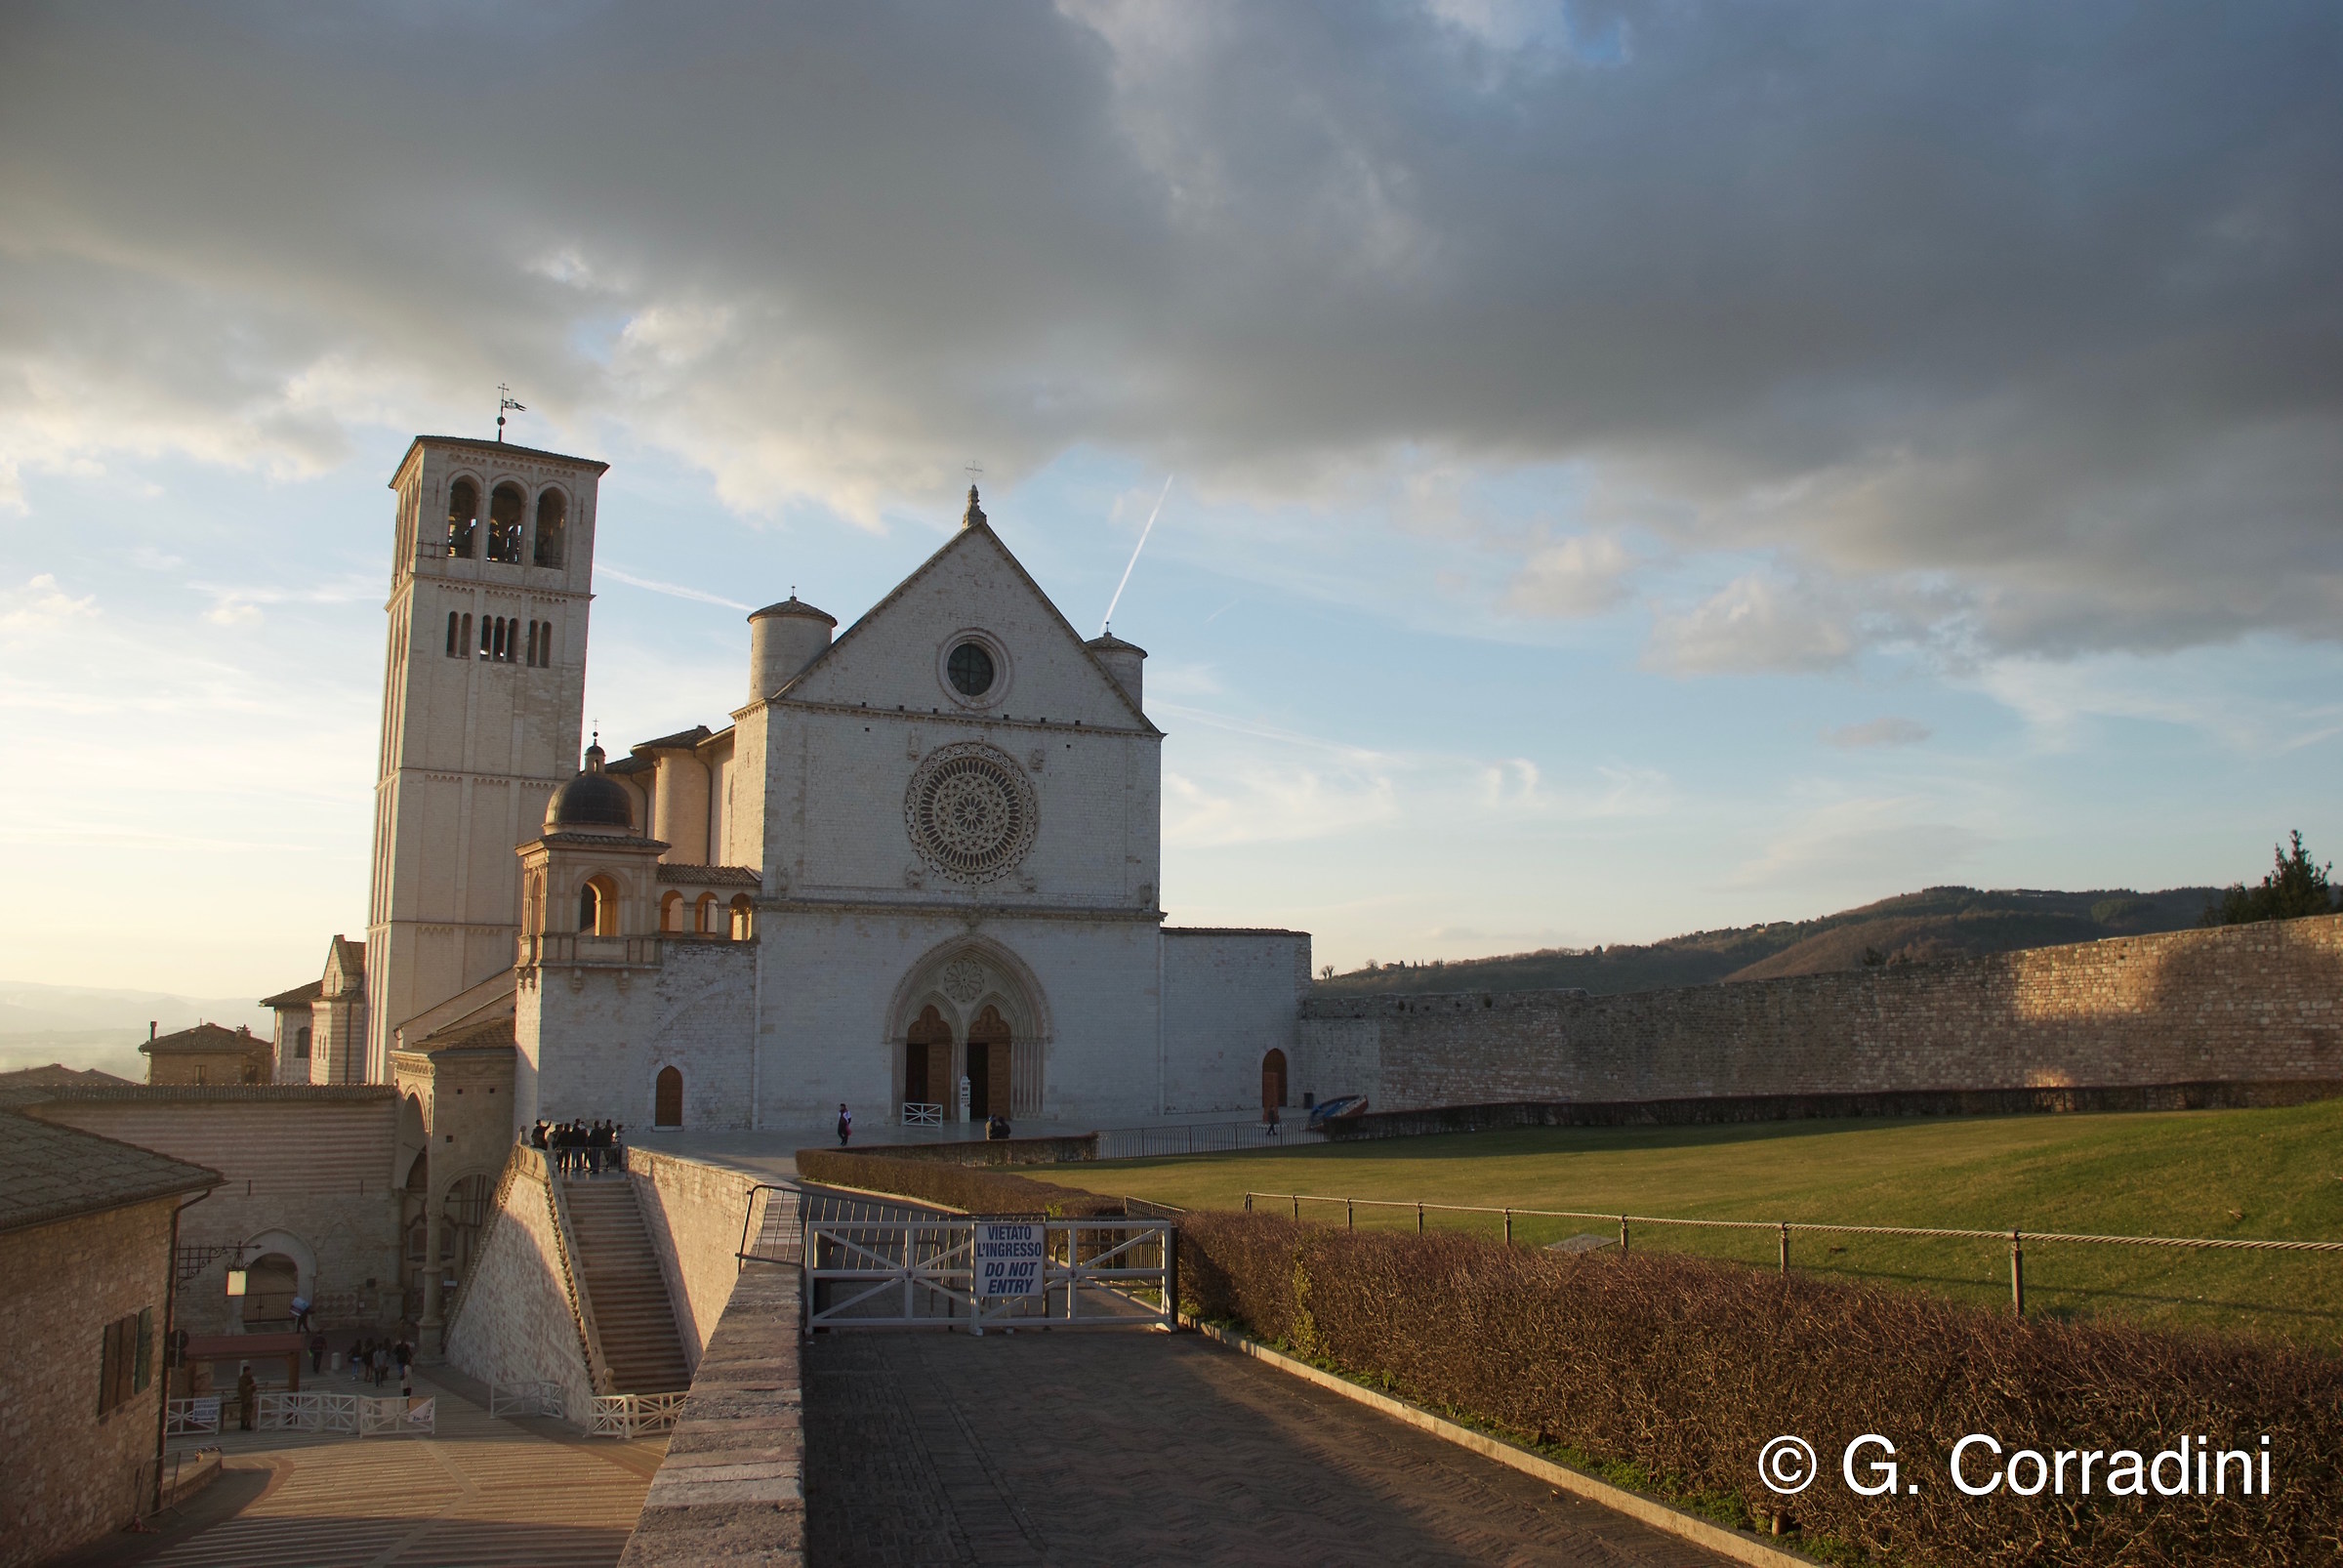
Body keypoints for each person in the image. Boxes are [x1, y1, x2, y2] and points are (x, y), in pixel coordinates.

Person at [236, 1362, 257, 1431]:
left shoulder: (250, 1379)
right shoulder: (242, 1379)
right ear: (246, 1371)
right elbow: (242, 1389)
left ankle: (248, 1424)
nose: (249, 1372)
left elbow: (254, 1389)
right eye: (248, 1371)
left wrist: (253, 1386)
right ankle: (243, 1424)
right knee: (245, 1411)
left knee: (249, 1411)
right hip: (245, 1397)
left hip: (249, 1397)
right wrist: (250, 1387)